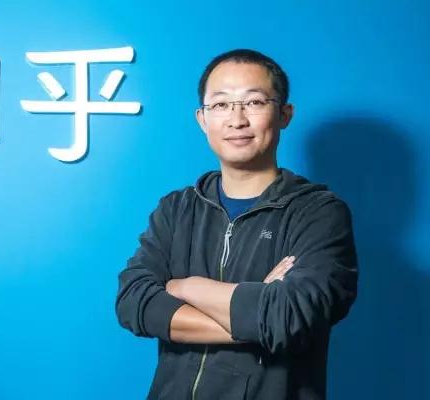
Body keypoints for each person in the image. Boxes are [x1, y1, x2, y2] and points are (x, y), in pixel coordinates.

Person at [115, 49, 358, 400]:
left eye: (254, 102)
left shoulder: (318, 213)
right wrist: (253, 316)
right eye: (221, 104)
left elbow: (289, 317)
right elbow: (134, 303)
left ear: (284, 114)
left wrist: (185, 286)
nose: (237, 119)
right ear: (202, 119)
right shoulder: (177, 209)